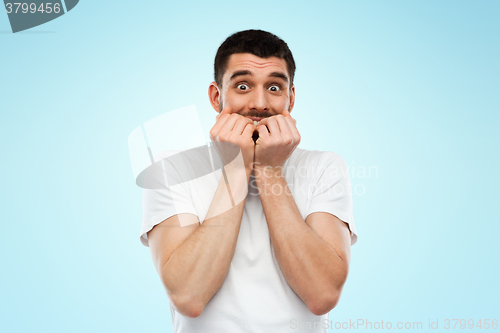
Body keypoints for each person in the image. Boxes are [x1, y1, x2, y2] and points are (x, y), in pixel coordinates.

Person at [140, 29, 358, 333]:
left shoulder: (324, 167)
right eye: (243, 86)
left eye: (274, 87)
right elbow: (188, 296)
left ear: (290, 99)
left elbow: (322, 295)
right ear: (217, 97)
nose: (259, 103)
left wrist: (269, 170)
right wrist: (237, 168)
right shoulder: (170, 168)